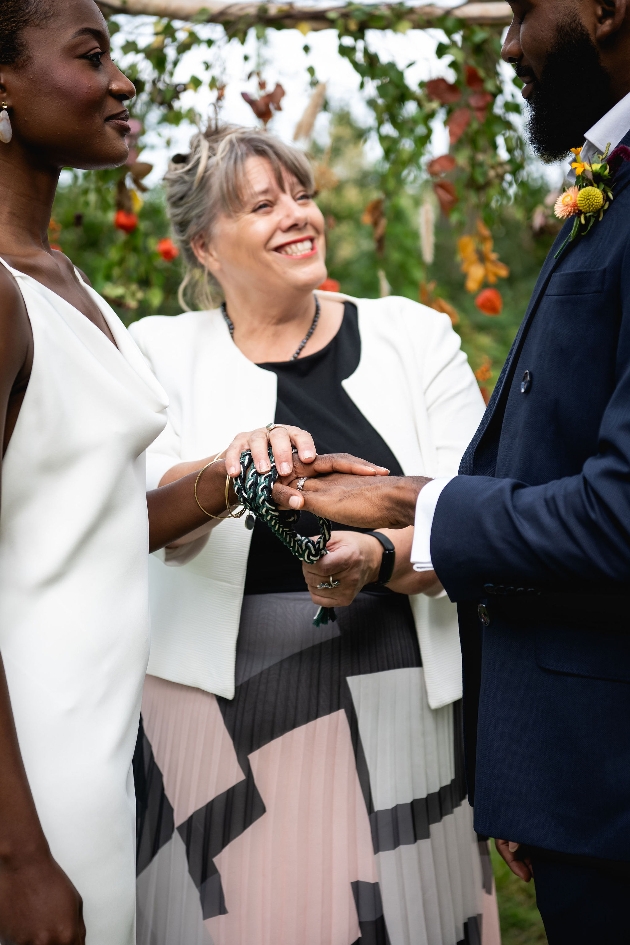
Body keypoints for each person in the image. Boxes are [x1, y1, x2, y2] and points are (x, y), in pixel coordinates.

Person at [0, 6, 363, 943]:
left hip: (103, 737)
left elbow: (90, 520)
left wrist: (233, 472)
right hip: (29, 766)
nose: (124, 81)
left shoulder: (63, 278)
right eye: (91, 57)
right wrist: (19, 856)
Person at [270, 0, 630, 940]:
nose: (507, 42)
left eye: (520, 11)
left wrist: (403, 501)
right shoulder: (612, 185)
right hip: (580, 773)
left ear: (605, 9)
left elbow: (618, 514)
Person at [129, 124, 501, 944]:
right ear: (204, 246)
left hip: (399, 692)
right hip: (215, 713)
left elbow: (471, 510)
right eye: (264, 204)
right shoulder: (156, 351)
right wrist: (230, 471)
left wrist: (376, 557)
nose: (299, 216)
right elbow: (141, 513)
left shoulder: (416, 336)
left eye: (303, 195)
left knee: (409, 920)